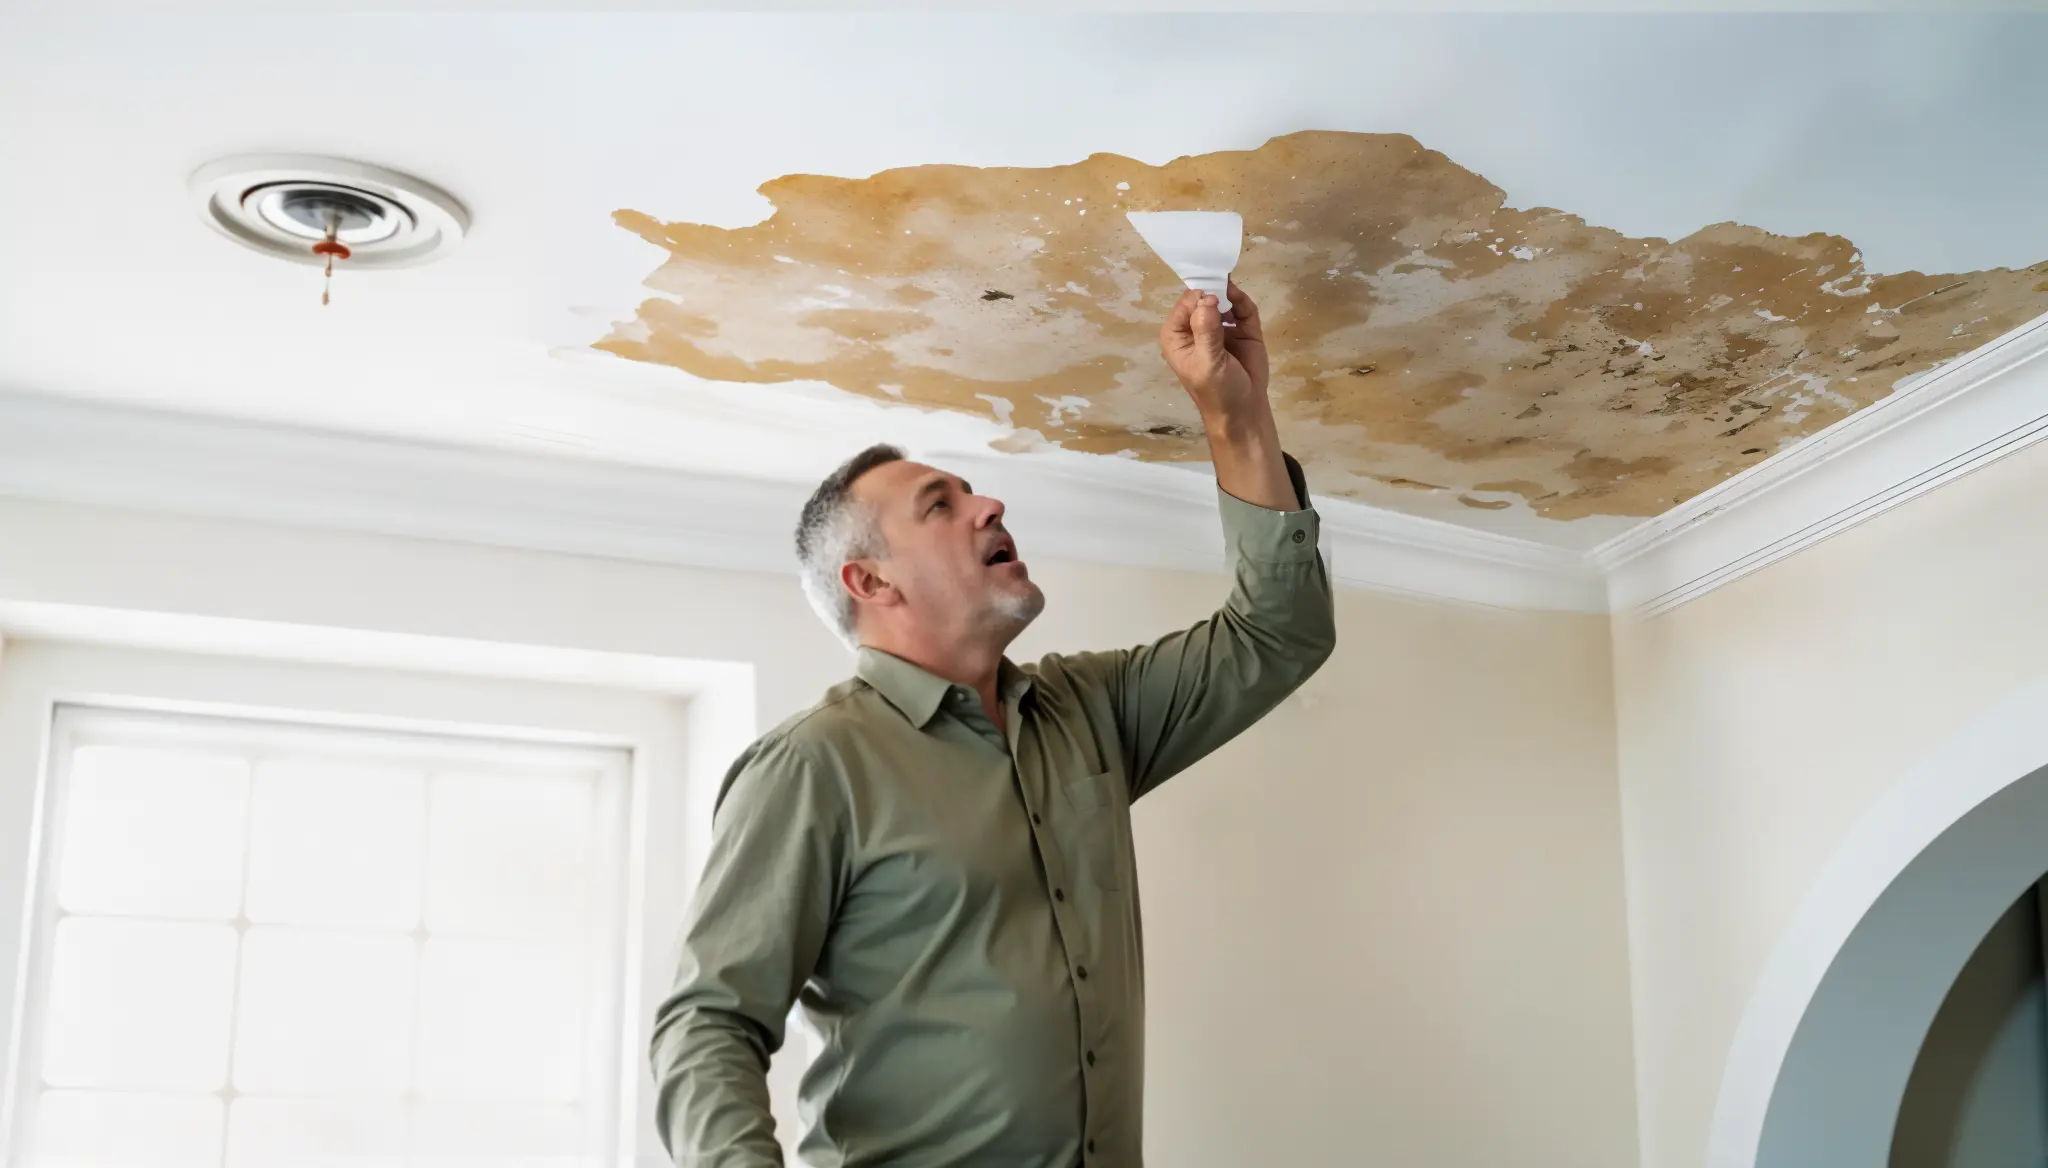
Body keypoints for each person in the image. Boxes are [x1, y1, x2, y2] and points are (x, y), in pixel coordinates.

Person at [650, 284, 1336, 1167]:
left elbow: (1279, 632)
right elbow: (709, 1024)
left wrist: (1235, 418)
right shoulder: (814, 765)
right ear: (871, 582)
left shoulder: (1087, 711)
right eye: (940, 505)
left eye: (972, 492)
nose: (990, 506)